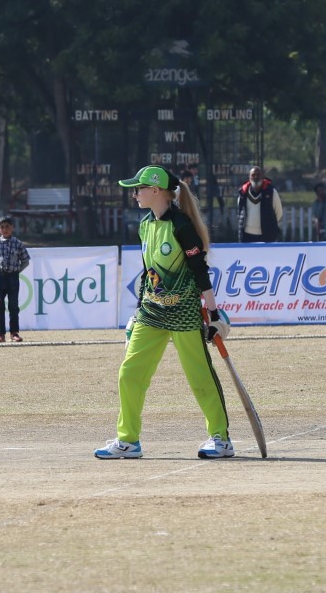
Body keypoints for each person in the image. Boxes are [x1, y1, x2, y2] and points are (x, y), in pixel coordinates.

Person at [95, 165, 235, 461]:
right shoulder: (145, 224)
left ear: (156, 190)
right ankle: (128, 440)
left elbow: (200, 271)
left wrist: (214, 314)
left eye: (139, 189)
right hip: (151, 312)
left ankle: (221, 439)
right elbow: (148, 272)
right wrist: (136, 314)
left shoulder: (182, 226)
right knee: (129, 374)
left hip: (184, 313)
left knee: (199, 376)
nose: (135, 194)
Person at [0, 215, 31, 343]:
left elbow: (26, 260)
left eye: (7, 227)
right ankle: (0, 334)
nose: (5, 229)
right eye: (2, 227)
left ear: (12, 228)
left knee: (13, 306)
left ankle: (14, 333)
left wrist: (17, 270)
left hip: (13, 278)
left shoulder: (18, 243)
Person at [237, 165, 282, 243]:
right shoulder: (243, 192)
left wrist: (269, 224)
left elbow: (279, 213)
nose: (256, 177)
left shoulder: (271, 192)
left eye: (258, 175)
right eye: (253, 175)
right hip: (246, 235)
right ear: (249, 177)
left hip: (266, 235)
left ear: (263, 176)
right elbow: (240, 211)